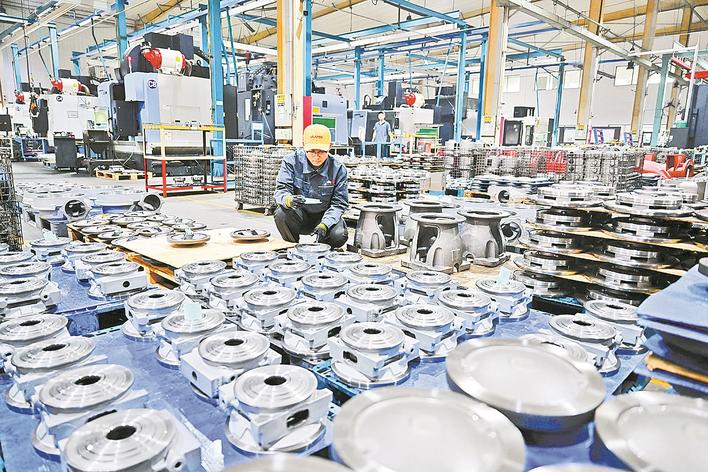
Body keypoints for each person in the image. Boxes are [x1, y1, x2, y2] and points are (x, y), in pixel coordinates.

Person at [273, 124, 349, 248]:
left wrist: (325, 224)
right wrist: (288, 200)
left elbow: (339, 203)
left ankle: (321, 249)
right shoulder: (291, 162)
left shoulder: (338, 169)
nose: (316, 156)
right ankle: (292, 248)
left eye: (322, 151)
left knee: (339, 234)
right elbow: (282, 189)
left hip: (324, 216)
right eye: (312, 151)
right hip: (299, 215)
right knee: (282, 214)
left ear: (330, 147)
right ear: (304, 146)